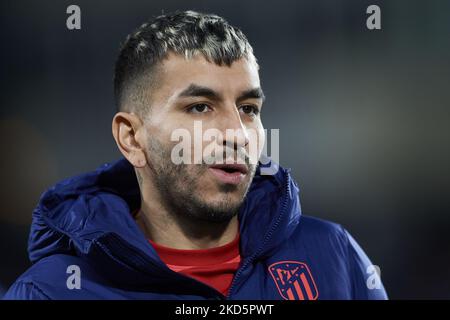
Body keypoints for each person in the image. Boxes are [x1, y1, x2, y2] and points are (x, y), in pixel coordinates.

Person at [4, 10, 387, 300]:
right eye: (200, 107)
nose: (236, 133)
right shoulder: (51, 291)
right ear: (132, 138)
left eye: (249, 108)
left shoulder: (333, 256)